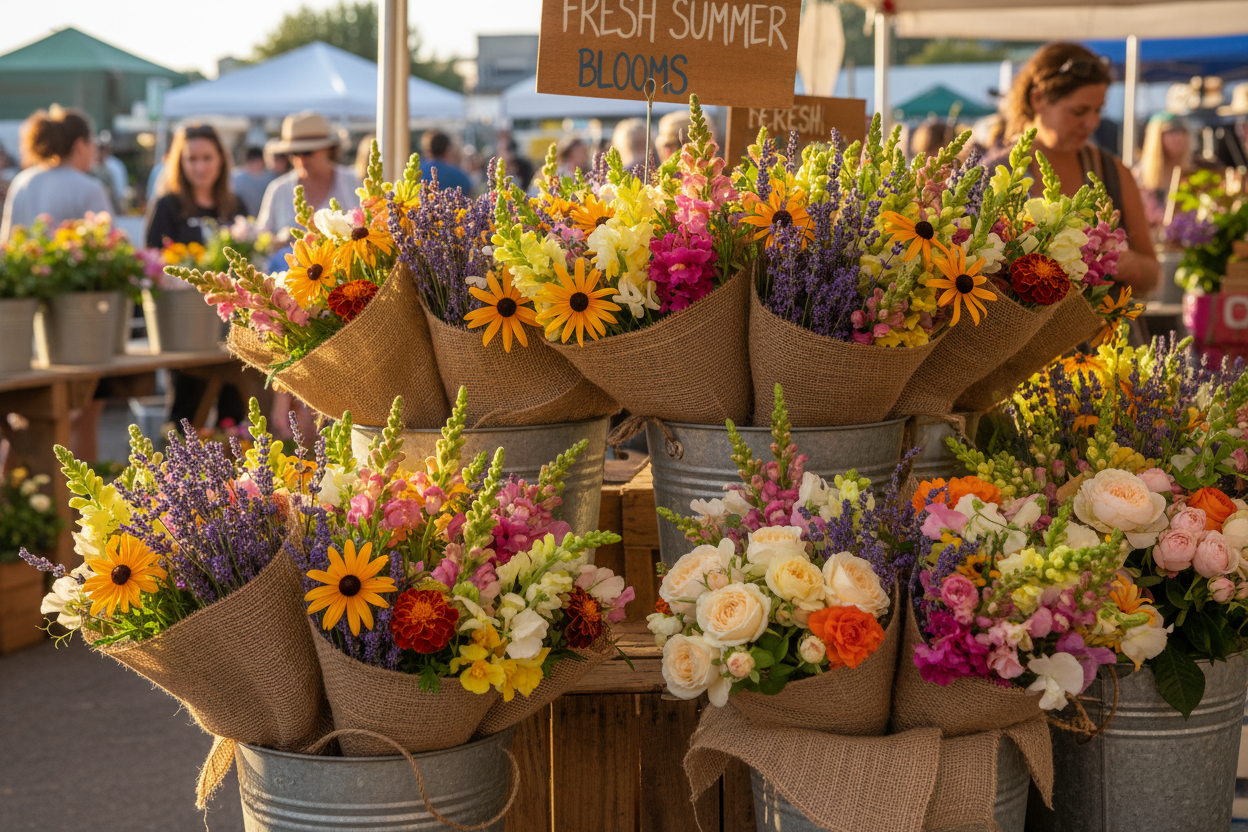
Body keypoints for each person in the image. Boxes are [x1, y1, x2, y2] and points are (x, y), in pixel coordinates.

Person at [997, 42, 1159, 294]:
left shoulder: (1111, 171)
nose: (1091, 123)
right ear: (1037, 99)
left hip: (1106, 332)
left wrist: (1126, 263)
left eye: (1098, 111)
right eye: (1079, 111)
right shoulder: (996, 172)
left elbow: (1152, 275)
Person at [0, 105, 113, 242]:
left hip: (25, 263)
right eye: (92, 141)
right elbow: (111, 245)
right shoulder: (90, 189)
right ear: (80, 145)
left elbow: (6, 244)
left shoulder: (21, 182)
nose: (94, 149)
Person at [257, 111, 360, 237]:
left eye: (307, 152)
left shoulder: (353, 182)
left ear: (327, 149)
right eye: (294, 153)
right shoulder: (278, 189)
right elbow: (261, 238)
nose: (300, 160)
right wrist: (277, 242)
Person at [145, 124, 243, 248]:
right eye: (192, 159)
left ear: (221, 159)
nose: (200, 168)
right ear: (180, 162)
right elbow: (153, 257)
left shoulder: (236, 206)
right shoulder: (166, 207)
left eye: (207, 158)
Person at [1133, 113, 1196, 227]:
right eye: (1171, 132)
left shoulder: (1192, 170)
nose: (1178, 138)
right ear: (1156, 137)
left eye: (1182, 132)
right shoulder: (1140, 174)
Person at [230, 146, 275, 216]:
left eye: (258, 162)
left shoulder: (272, 179)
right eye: (253, 162)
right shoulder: (235, 178)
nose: (256, 165)